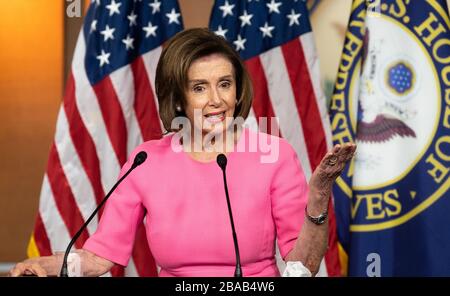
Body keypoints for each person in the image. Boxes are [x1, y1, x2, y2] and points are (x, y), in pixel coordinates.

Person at [9, 28, 356, 277]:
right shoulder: (146, 161)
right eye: (199, 88)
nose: (216, 100)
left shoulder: (273, 154)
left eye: (224, 84)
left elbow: (302, 268)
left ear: (238, 90)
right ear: (178, 98)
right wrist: (48, 266)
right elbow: (100, 257)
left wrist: (319, 196)